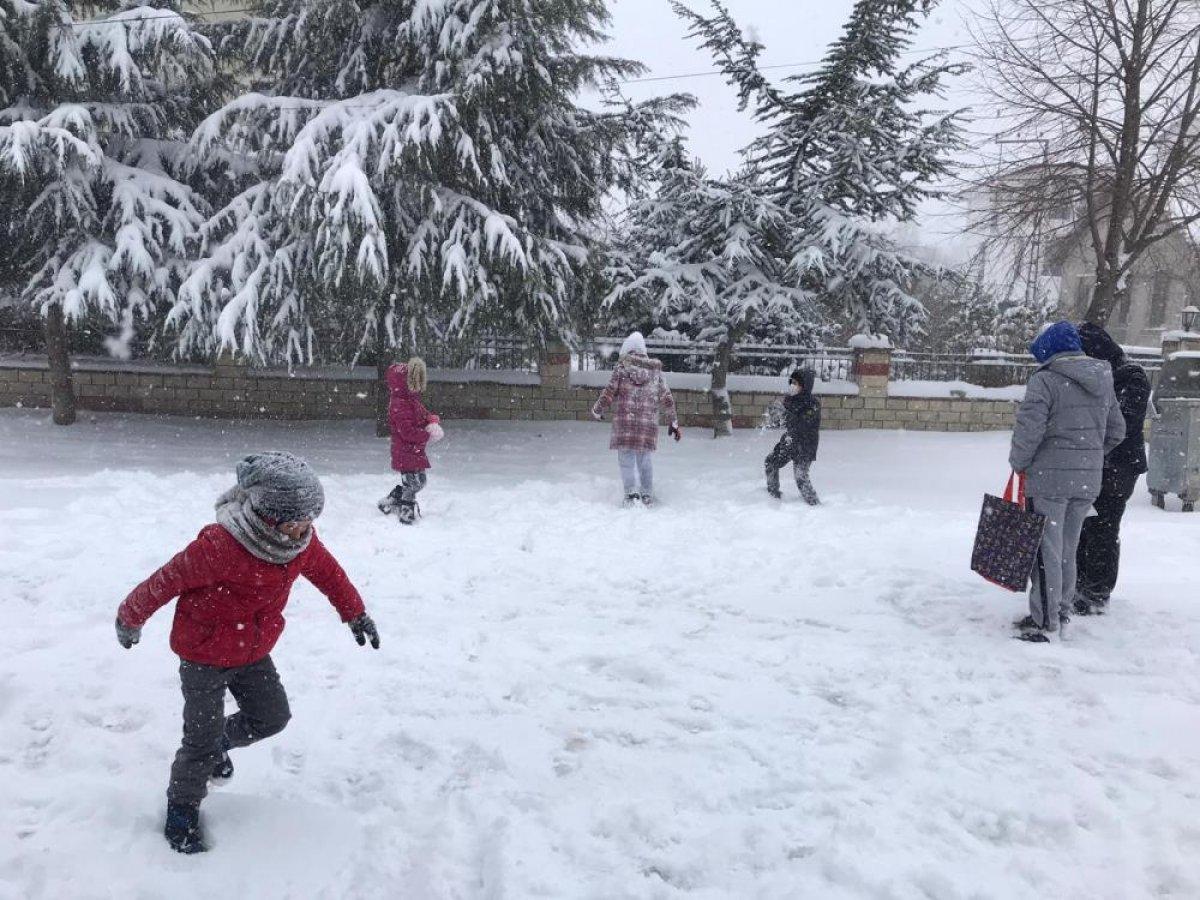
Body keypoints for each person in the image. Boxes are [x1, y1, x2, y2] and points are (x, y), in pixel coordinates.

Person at [114, 451, 379, 853]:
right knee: (199, 742)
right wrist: (130, 616)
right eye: (296, 521)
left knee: (272, 717)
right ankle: (182, 810)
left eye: (310, 520)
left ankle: (221, 743)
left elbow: (329, 574)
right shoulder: (220, 546)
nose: (304, 529)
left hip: (252, 650)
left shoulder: (299, 544)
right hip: (203, 655)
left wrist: (354, 613)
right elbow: (166, 580)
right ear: (268, 517)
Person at [1009, 322, 1125, 642]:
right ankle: (1059, 611)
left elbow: (1029, 431)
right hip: (1087, 480)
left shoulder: (1045, 380)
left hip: (1048, 479)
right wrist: (1088, 455)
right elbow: (1117, 431)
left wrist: (1019, 462)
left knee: (1046, 551)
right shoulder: (1103, 379)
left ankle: (1045, 623)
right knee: (1067, 549)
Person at [1073, 322, 1151, 615]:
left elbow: (1125, 424)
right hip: (1097, 463)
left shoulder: (1131, 376)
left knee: (1103, 527)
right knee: (1085, 525)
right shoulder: (1101, 375)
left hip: (1120, 467)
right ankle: (1081, 584)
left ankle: (1096, 592)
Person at [592, 331, 681, 505]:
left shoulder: (621, 369)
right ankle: (646, 493)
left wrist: (597, 409)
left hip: (625, 424)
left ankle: (631, 493)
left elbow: (608, 393)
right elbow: (667, 398)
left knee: (626, 459)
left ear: (627, 350)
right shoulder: (656, 372)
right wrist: (673, 421)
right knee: (645, 459)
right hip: (646, 426)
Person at [378, 357, 443, 524]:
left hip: (414, 450)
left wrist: (431, 420)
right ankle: (406, 512)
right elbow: (406, 431)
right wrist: (427, 435)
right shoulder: (399, 403)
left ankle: (392, 499)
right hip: (404, 451)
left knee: (420, 482)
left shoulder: (412, 400)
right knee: (412, 484)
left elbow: (422, 415)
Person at [765, 368, 821, 504]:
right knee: (771, 462)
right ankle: (772, 496)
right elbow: (784, 422)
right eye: (792, 382)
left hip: (805, 444)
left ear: (805, 385)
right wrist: (774, 416)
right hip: (790, 441)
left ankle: (814, 504)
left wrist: (785, 415)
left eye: (796, 383)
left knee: (800, 476)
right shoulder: (790, 400)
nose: (792, 386)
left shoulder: (813, 404)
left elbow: (803, 424)